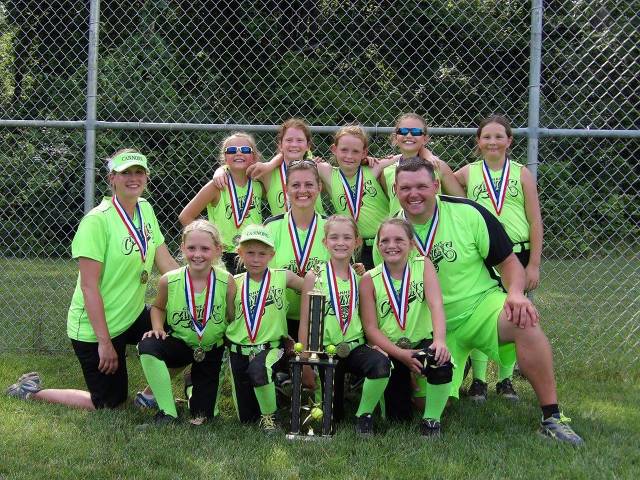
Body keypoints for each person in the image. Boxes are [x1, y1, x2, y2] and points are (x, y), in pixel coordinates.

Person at [386, 158, 583, 444]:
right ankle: (454, 372)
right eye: (405, 188)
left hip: (480, 307)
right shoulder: (390, 231)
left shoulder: (469, 213)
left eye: (421, 186)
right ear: (395, 189)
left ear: (436, 185)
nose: (413, 194)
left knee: (524, 320)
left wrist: (515, 294)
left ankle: (552, 417)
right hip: (431, 327)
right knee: (422, 405)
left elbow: (509, 263)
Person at [7, 149, 178, 410]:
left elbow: (165, 262)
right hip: (96, 327)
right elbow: (89, 287)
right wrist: (104, 343)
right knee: (110, 404)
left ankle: (149, 396)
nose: (133, 178)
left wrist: (195, 291)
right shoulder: (97, 221)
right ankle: (31, 392)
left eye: (139, 172)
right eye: (125, 173)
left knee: (186, 327)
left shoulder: (145, 208)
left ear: (146, 177)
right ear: (112, 178)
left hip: (131, 314)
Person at [454, 115, 543, 402]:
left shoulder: (521, 173)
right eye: (487, 137)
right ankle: (479, 380)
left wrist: (533, 264)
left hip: (517, 252)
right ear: (478, 141)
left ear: (509, 140)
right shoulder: (468, 173)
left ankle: (505, 380)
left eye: (498, 136)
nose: (492, 142)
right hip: (484, 253)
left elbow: (535, 220)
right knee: (481, 313)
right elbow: (438, 180)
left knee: (515, 314)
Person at [298, 215, 391, 435]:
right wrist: (305, 361)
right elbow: (305, 320)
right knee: (333, 416)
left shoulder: (361, 277)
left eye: (347, 237)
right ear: (325, 242)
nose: (341, 242)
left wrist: (374, 344)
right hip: (325, 351)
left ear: (357, 242)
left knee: (381, 364)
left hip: (355, 347)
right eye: (334, 237)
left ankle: (363, 415)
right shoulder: (314, 276)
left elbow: (367, 317)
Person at [359, 218, 453, 436]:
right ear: (378, 245)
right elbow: (371, 328)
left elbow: (436, 304)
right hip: (390, 350)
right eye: (385, 241)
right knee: (398, 417)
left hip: (420, 343)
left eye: (399, 240)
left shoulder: (423, 265)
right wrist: (400, 355)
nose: (391, 245)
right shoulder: (369, 279)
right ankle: (400, 393)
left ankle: (431, 421)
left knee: (441, 359)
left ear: (411, 244)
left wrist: (439, 341)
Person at [136, 220, 235, 425]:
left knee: (203, 415)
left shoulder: (227, 281)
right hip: (180, 344)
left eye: (205, 249)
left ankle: (191, 386)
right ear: (182, 248)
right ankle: (167, 412)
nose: (197, 254)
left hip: (211, 350)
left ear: (218, 250)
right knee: (148, 345)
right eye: (191, 248)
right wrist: (157, 328)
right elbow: (158, 308)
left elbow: (232, 316)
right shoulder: (169, 280)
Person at [225, 224, 303, 432]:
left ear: (271, 255)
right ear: (240, 253)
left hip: (272, 348)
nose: (256, 259)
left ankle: (271, 417)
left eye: (262, 253)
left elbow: (312, 287)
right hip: (238, 351)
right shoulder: (233, 283)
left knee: (259, 370)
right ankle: (273, 389)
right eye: (250, 253)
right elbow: (230, 316)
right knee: (246, 418)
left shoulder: (283, 276)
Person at [179, 132, 264, 274]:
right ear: (224, 157)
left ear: (254, 156)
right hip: (223, 255)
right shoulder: (216, 185)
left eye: (245, 150)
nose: (238, 153)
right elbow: (185, 216)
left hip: (253, 251)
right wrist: (206, 241)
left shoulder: (259, 183)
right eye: (231, 150)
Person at [264, 160, 330, 339]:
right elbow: (263, 277)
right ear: (286, 189)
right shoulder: (271, 227)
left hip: (322, 319)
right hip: (279, 321)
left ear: (319, 187)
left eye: (309, 184)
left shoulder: (331, 227)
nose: (302, 190)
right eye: (295, 185)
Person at [211, 118, 325, 216]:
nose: (294, 144)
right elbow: (240, 167)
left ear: (308, 146)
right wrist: (221, 170)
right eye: (289, 140)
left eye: (299, 140)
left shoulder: (317, 169)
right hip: (282, 232)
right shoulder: (267, 173)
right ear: (280, 145)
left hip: (316, 231)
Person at [379, 113, 464, 216]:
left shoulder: (438, 166)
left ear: (425, 139)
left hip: (434, 224)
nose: (409, 135)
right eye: (403, 131)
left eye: (416, 132)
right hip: (400, 225)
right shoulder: (386, 171)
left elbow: (462, 202)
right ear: (395, 137)